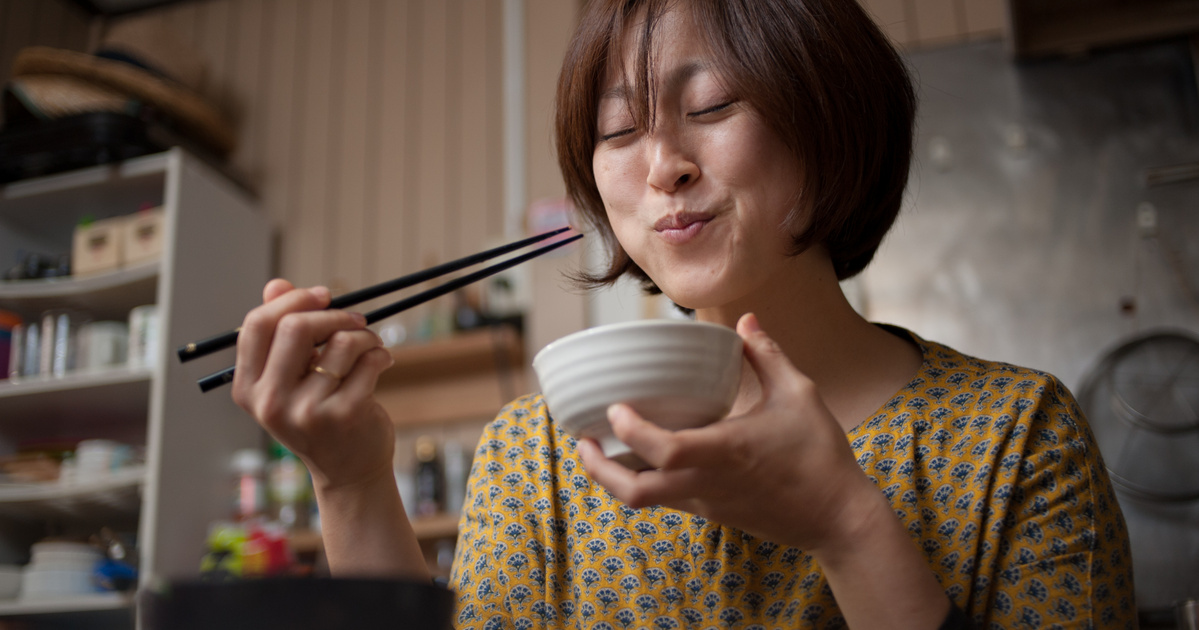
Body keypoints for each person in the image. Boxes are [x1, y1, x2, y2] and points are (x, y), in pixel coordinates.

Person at [231, 0, 1137, 628]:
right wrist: (350, 480)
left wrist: (847, 526)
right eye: (619, 132)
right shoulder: (538, 456)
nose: (661, 163)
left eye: (709, 107)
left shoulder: (1016, 437)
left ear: (832, 121)